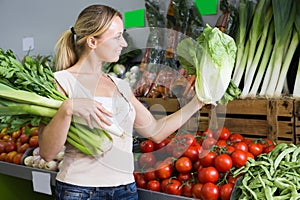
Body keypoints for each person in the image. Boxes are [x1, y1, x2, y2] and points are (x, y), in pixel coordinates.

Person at [38, 4, 203, 200]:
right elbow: (48, 153)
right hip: (80, 191)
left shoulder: (120, 86)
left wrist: (197, 103)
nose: (124, 43)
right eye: (117, 37)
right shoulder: (61, 81)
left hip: (125, 190)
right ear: (92, 41)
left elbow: (155, 132)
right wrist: (68, 108)